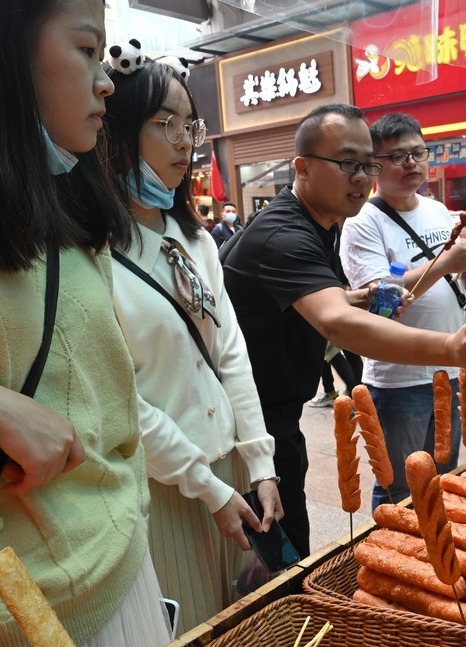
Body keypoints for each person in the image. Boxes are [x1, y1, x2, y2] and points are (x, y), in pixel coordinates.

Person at [0, 0, 171, 644]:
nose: (105, 81)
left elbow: (115, 402)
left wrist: (134, 509)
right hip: (9, 612)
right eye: (85, 50)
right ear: (2, 47)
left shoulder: (74, 208)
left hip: (121, 566)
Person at [222, 104, 466, 553]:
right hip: (245, 424)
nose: (361, 177)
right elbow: (338, 323)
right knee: (275, 556)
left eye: (367, 165)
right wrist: (453, 347)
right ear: (302, 167)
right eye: (346, 163)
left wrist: (348, 296)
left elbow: (331, 302)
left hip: (274, 412)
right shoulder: (285, 233)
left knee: (288, 540)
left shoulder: (326, 223)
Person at [102, 57, 282, 634]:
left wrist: (260, 462)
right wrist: (205, 487)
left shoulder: (196, 241)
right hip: (165, 487)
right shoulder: (92, 257)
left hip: (230, 466)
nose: (185, 142)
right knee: (191, 625)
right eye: (166, 124)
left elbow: (230, 354)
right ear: (116, 132)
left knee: (249, 621)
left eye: (191, 125)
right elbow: (121, 399)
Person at [340, 113, 466, 507]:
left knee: (445, 476)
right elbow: (380, 301)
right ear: (374, 165)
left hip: (450, 368)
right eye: (397, 156)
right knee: (399, 486)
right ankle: (393, 545)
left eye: (418, 153)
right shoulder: (362, 222)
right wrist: (446, 262)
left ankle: (435, 542)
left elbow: (455, 280)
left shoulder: (438, 210)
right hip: (399, 379)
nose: (411, 163)